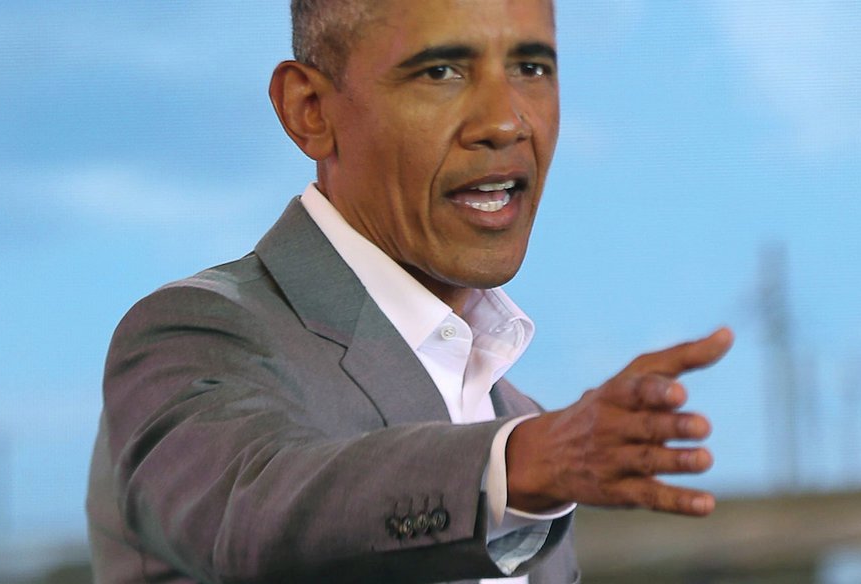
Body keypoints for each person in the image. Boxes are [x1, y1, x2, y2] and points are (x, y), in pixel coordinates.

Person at [86, 0, 734, 582]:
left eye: (532, 67)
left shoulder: (518, 415)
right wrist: (525, 463)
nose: (504, 122)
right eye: (441, 71)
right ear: (309, 110)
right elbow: (256, 512)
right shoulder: (194, 334)